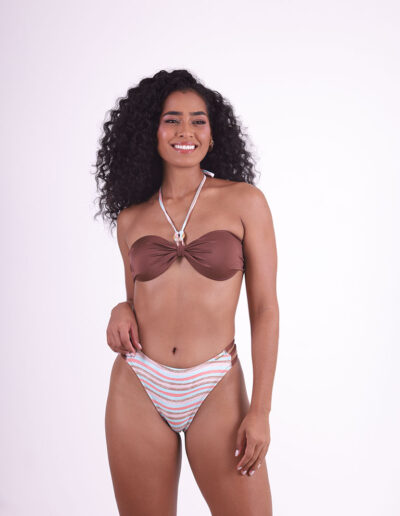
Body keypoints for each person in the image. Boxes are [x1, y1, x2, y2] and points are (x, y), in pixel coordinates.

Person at [94, 69, 279, 516]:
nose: (186, 131)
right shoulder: (131, 219)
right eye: (172, 120)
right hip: (138, 383)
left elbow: (264, 308)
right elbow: (137, 301)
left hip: (215, 384)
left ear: (213, 135)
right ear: (151, 132)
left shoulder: (245, 202)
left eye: (198, 121)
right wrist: (120, 307)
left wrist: (260, 411)